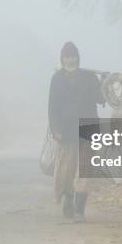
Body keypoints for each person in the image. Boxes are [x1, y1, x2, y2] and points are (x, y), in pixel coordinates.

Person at [48, 41, 105, 222]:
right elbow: (52, 106)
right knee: (65, 170)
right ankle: (69, 199)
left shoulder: (89, 78)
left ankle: (79, 211)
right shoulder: (57, 79)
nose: (70, 60)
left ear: (77, 58)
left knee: (85, 171)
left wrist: (104, 82)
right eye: (66, 57)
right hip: (65, 132)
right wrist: (55, 129)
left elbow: (100, 98)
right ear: (62, 59)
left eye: (73, 56)